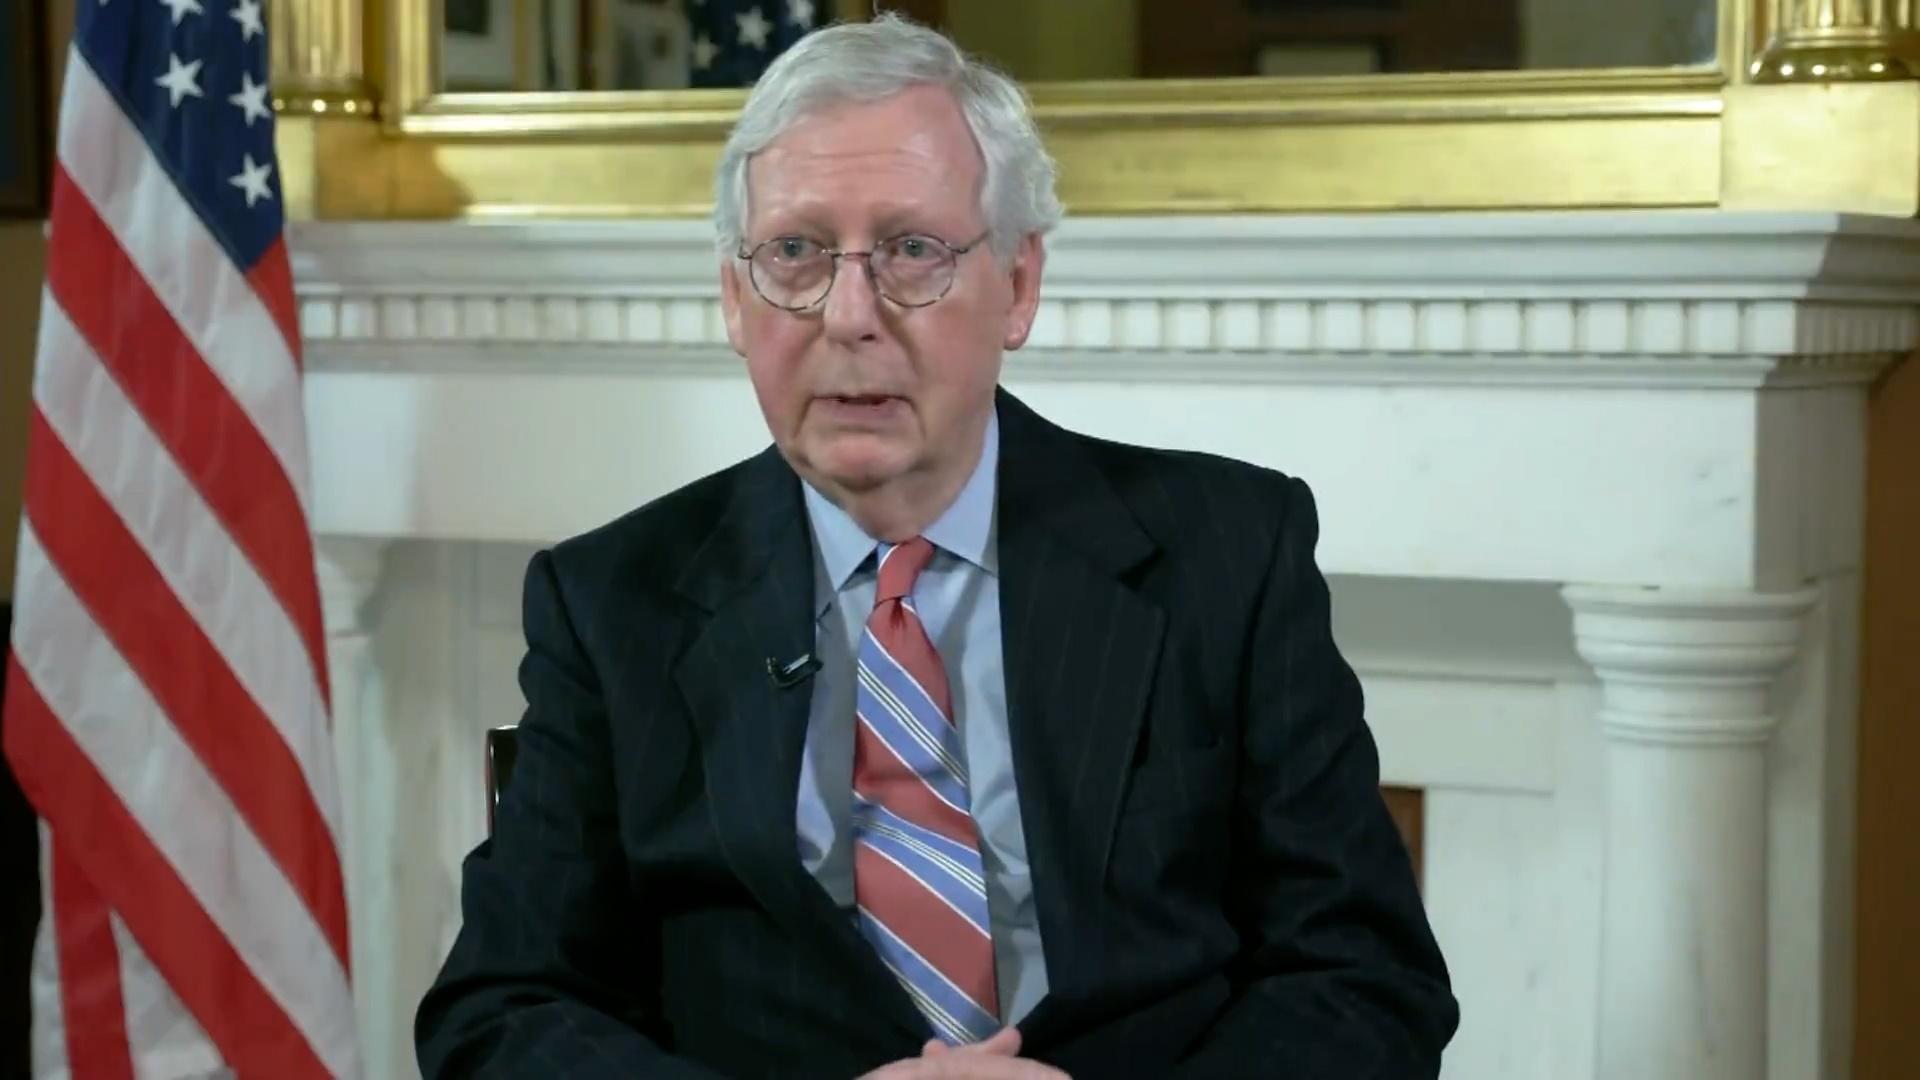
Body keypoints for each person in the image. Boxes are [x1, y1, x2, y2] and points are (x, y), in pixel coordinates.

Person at [415, 14, 1457, 1079]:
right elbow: (502, 1009)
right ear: (734, 296)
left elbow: (1365, 975)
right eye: (795, 253)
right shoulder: (613, 602)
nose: (849, 315)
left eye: (912, 250)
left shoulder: (1225, 553)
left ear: (1019, 283)